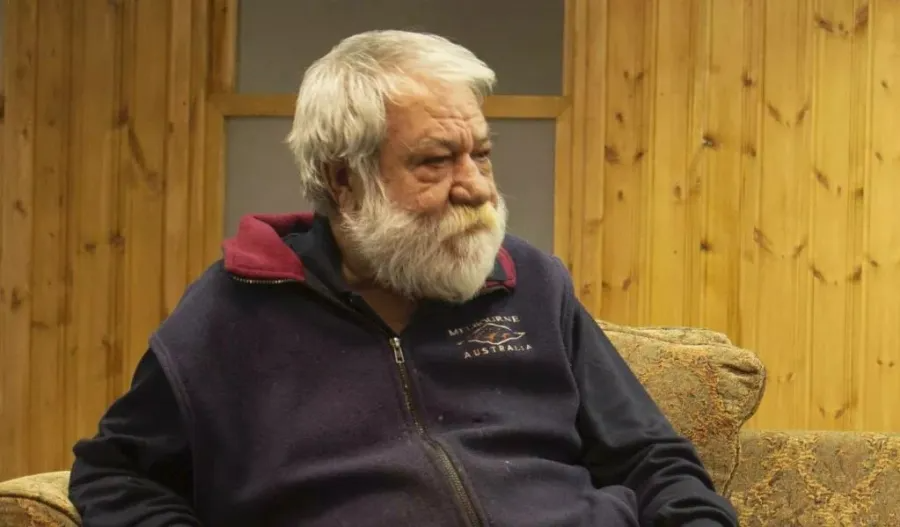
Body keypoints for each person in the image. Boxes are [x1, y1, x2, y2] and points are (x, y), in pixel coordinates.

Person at [68, 30, 738, 527]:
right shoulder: (233, 309)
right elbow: (117, 474)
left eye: (481, 154)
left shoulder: (530, 281)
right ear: (343, 179)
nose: (476, 187)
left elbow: (651, 458)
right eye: (435, 162)